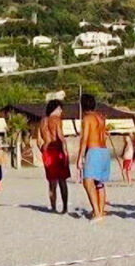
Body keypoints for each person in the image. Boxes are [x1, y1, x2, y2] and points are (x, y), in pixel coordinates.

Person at [77, 94, 109, 222]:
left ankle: (97, 212)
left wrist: (80, 157)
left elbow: (84, 139)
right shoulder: (101, 117)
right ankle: (100, 210)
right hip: (104, 151)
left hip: (94, 150)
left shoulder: (87, 118)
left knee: (88, 181)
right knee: (99, 182)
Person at [37, 100, 70, 213]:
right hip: (57, 149)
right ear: (55, 109)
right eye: (60, 109)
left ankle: (53, 206)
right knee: (62, 180)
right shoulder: (56, 120)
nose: (61, 111)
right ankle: (64, 207)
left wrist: (43, 150)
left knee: (52, 182)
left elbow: (38, 141)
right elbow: (60, 136)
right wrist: (65, 150)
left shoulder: (42, 121)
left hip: (47, 151)